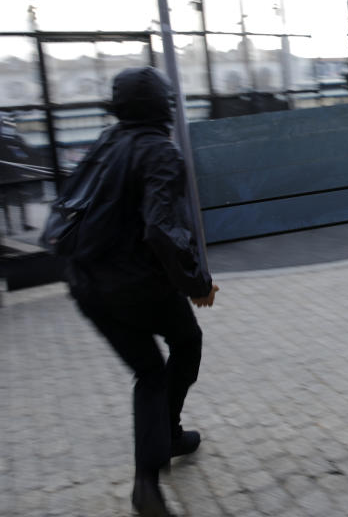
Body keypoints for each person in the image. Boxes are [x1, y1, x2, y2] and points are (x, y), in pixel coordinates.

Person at [66, 67, 219, 517]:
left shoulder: (107, 142)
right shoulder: (159, 151)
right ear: (161, 108)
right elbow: (160, 228)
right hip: (132, 282)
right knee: (182, 346)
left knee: (152, 369)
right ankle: (152, 471)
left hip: (85, 283)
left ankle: (156, 465)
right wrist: (197, 284)